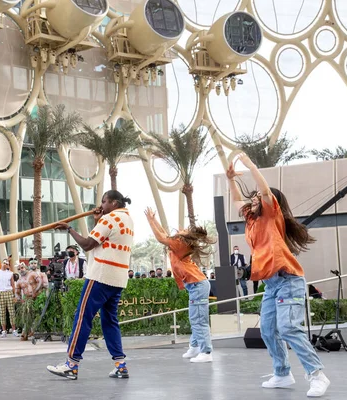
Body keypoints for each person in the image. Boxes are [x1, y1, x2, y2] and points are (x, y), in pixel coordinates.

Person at [227, 153, 330, 397]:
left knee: (288, 328)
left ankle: (317, 375)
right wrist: (230, 179)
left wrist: (251, 166)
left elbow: (263, 191)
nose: (251, 200)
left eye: (255, 198)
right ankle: (282, 373)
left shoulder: (272, 215)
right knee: (267, 330)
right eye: (250, 199)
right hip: (271, 285)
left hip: (288, 281)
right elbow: (235, 201)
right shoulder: (251, 222)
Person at [47, 190, 134, 380]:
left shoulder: (109, 219)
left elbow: (87, 245)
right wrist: (97, 220)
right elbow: (101, 244)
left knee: (82, 317)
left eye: (104, 202)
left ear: (113, 203)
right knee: (109, 321)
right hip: (117, 278)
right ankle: (120, 365)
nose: (101, 205)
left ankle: (71, 364)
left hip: (101, 275)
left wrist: (69, 229)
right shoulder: (127, 220)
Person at [146, 207, 216, 363]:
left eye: (183, 230)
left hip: (197, 284)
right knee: (195, 318)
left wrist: (150, 220)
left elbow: (160, 237)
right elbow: (164, 234)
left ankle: (206, 351)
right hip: (195, 285)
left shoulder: (180, 243)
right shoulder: (178, 242)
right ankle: (194, 346)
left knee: (198, 319)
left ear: (186, 236)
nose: (181, 229)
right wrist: (154, 219)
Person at [15, 262, 43, 340]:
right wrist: (19, 299)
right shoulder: (19, 281)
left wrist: (36, 291)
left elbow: (40, 282)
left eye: (22, 268)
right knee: (27, 315)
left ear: (26, 268)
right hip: (27, 299)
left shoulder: (32, 274)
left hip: (38, 297)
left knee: (37, 314)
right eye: (19, 269)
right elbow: (17, 292)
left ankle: (35, 330)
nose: (21, 270)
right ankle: (26, 332)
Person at [0, 259, 18, 338]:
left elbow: (13, 285)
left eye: (6, 263)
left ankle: (14, 330)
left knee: (12, 312)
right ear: (1, 263)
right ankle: (4, 331)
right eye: (4, 263)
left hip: (9, 292)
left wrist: (14, 296)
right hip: (1, 292)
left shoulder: (10, 273)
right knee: (2, 313)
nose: (5, 264)